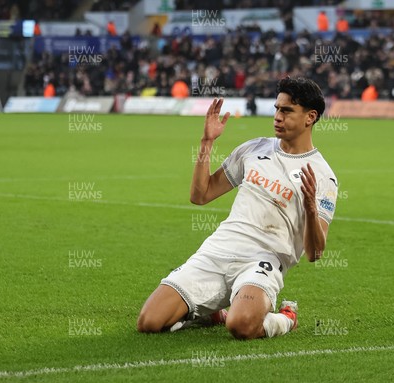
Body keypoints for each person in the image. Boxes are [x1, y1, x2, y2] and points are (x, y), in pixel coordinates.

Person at [137, 77, 338, 339]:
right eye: (277, 109)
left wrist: (311, 208)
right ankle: (216, 312)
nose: (277, 116)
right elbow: (201, 195)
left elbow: (315, 253)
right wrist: (206, 143)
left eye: (286, 111)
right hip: (219, 249)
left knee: (241, 326)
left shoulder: (323, 176)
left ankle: (286, 318)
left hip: (263, 259)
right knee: (149, 322)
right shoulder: (254, 149)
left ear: (310, 117)